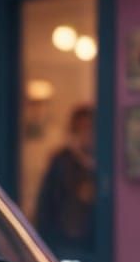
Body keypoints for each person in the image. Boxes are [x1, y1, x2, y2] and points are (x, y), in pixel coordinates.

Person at [33, 104, 95, 251]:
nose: (88, 134)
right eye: (82, 128)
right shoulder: (61, 161)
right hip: (65, 241)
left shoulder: (106, 164)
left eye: (91, 128)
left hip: (95, 242)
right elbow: (46, 204)